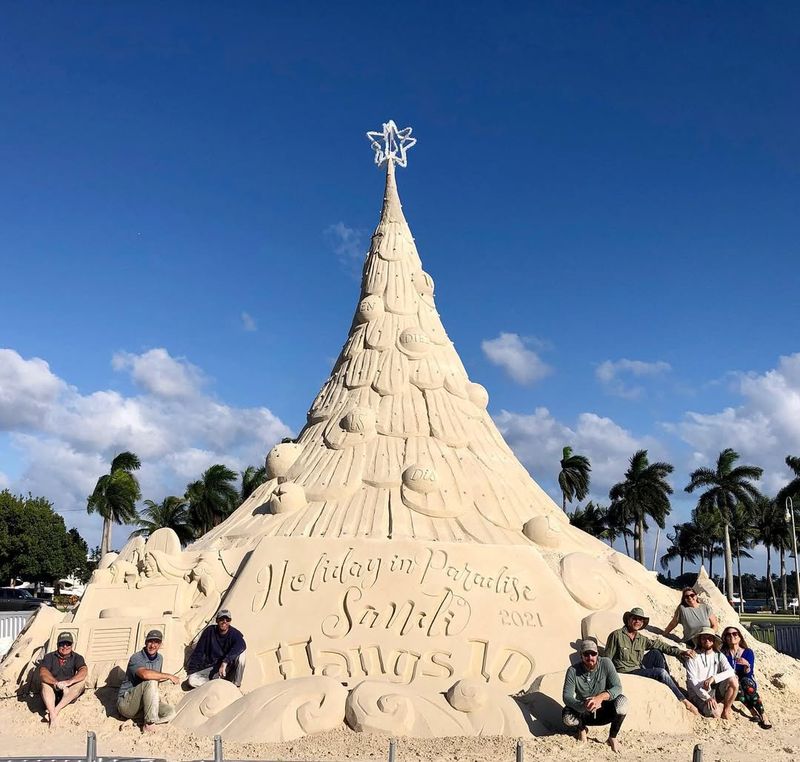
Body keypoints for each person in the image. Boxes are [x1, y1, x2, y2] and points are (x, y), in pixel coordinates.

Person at [604, 606, 699, 715]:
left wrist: (681, 652)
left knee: (656, 652)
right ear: (628, 619)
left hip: (638, 667)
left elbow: (659, 645)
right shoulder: (616, 635)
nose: (637, 621)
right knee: (661, 672)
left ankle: (666, 688)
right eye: (634, 618)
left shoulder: (641, 638)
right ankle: (684, 701)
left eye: (640, 620)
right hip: (626, 671)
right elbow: (607, 659)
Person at [562, 639, 628, 753]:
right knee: (567, 717)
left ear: (597, 654)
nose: (590, 657)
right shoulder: (573, 670)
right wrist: (583, 705)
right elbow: (567, 697)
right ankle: (582, 730)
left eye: (593, 654)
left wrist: (600, 698)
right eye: (586, 654)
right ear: (581, 656)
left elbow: (617, 687)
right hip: (584, 712)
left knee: (623, 702)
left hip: (605, 710)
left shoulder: (606, 663)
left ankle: (612, 737)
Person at [117, 629, 180, 732]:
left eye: (156, 642)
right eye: (150, 641)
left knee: (170, 712)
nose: (153, 645)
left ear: (160, 644)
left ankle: (138, 721)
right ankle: (149, 724)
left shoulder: (159, 658)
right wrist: (169, 676)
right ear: (146, 642)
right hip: (126, 704)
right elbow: (145, 675)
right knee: (151, 681)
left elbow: (156, 680)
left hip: (143, 704)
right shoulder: (137, 657)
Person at [721, 625, 772, 729]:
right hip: (731, 680)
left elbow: (748, 673)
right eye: (728, 634)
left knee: (747, 685)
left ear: (740, 637)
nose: (732, 636)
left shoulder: (748, 652)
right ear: (725, 638)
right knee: (736, 685)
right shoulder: (724, 653)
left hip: (746, 678)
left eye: (735, 634)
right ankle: (752, 711)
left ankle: (763, 715)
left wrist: (747, 664)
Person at [684, 627, 737, 718]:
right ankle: (716, 706)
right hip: (698, 692)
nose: (707, 640)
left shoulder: (719, 655)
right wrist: (707, 698)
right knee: (715, 713)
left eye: (709, 638)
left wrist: (713, 678)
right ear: (700, 640)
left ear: (713, 640)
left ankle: (726, 709)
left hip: (713, 688)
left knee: (734, 681)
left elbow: (731, 671)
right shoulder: (693, 657)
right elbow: (693, 682)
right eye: (704, 638)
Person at [38, 631, 88, 728]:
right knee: (45, 684)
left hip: (68, 691)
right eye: (62, 644)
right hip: (54, 689)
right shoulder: (49, 657)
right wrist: (55, 683)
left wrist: (69, 682)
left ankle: (55, 711)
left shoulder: (77, 657)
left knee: (81, 682)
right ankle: (52, 714)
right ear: (57, 645)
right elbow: (43, 672)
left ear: (72, 645)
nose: (65, 646)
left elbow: (83, 670)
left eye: (68, 644)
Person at [187, 609, 246, 688]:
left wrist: (225, 662)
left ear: (230, 621)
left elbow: (242, 644)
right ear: (217, 620)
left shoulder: (234, 633)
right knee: (192, 680)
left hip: (227, 667)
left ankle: (236, 685)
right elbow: (198, 652)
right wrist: (191, 671)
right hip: (212, 668)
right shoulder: (209, 631)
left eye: (227, 619)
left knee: (242, 653)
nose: (224, 622)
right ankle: (217, 686)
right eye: (221, 619)